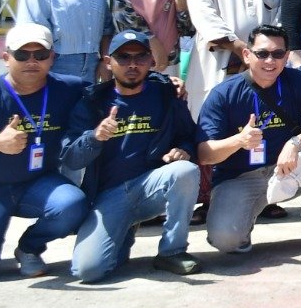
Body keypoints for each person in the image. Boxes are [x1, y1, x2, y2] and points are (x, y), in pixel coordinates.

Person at [196, 25, 301, 261]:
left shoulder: (299, 81)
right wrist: (239, 140)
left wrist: (295, 143)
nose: (271, 60)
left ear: (287, 57)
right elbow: (205, 154)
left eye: (278, 54)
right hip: (242, 178)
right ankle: (242, 223)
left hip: (289, 169)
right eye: (262, 53)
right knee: (226, 240)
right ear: (247, 55)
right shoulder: (223, 94)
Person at [62, 30, 203, 280]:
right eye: (123, 58)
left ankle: (172, 252)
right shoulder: (92, 101)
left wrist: (185, 150)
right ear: (108, 62)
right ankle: (124, 230)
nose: (132, 65)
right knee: (88, 271)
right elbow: (71, 158)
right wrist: (94, 137)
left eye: (140, 57)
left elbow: (189, 136)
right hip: (109, 196)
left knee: (186, 171)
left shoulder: (167, 94)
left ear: (151, 60)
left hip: (151, 187)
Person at [0, 24, 89, 280]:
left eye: (40, 55)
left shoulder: (70, 88)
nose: (32, 62)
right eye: (22, 55)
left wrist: (168, 84)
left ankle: (29, 248)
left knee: (71, 204)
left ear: (52, 58)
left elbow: (119, 88)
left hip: (37, 182)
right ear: (6, 58)